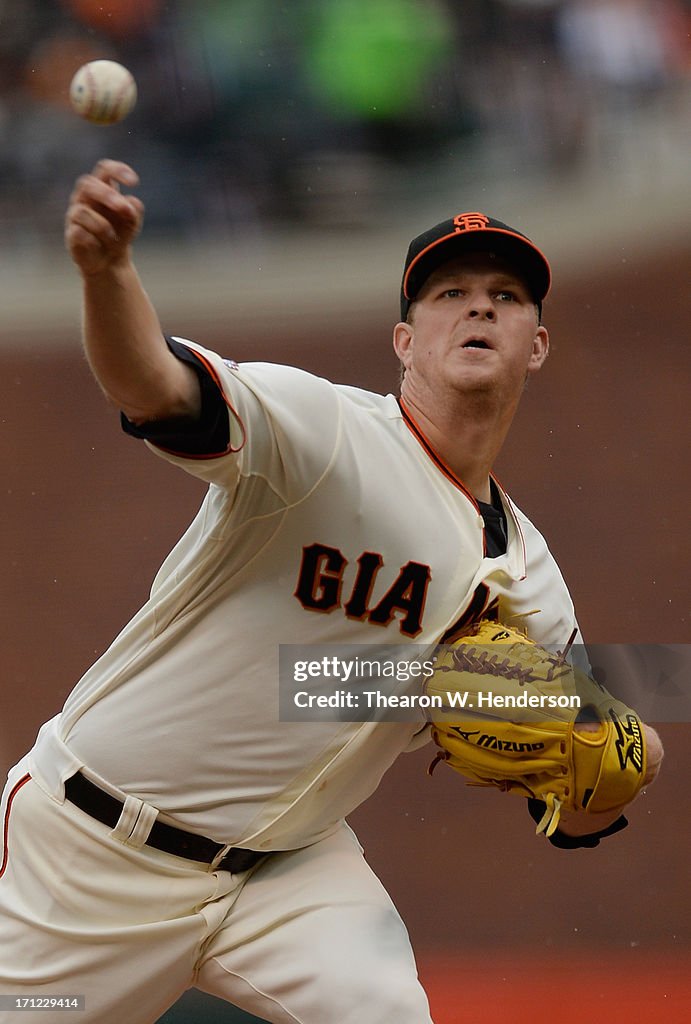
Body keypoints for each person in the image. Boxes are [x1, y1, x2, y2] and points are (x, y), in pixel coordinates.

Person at [0, 160, 662, 1024]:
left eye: (505, 296)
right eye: (448, 293)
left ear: (535, 345)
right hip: (90, 853)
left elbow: (575, 796)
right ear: (404, 341)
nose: (477, 306)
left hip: (291, 873)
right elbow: (153, 388)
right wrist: (108, 273)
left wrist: (622, 763)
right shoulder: (320, 433)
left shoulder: (529, 574)